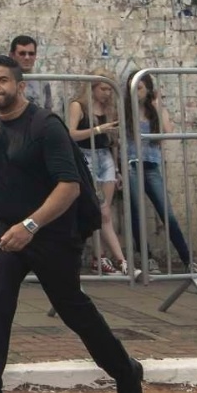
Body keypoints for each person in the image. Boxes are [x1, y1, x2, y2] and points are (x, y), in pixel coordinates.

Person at [0, 54, 142, 393]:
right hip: (3, 230)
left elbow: (68, 187)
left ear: (20, 86)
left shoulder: (45, 125)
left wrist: (30, 226)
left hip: (51, 232)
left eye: (2, 80)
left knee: (73, 309)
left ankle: (126, 372)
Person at [124, 74, 193, 273]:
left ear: (148, 90)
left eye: (139, 87)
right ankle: (147, 259)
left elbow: (167, 132)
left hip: (151, 165)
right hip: (131, 165)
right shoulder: (124, 110)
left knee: (167, 212)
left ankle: (188, 259)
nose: (135, 91)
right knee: (137, 213)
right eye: (132, 87)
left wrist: (157, 104)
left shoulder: (153, 111)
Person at [67, 79, 128, 274]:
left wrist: (117, 170)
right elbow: (71, 134)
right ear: (92, 89)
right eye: (103, 89)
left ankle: (107, 259)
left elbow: (114, 142)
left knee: (105, 212)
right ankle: (105, 257)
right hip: (85, 156)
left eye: (110, 89)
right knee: (96, 211)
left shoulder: (109, 109)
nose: (107, 93)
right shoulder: (79, 106)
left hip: (105, 157)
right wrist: (98, 129)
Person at [9, 35, 54, 116]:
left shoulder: (43, 82)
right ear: (12, 55)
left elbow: (48, 110)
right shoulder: (5, 80)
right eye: (22, 53)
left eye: (31, 54)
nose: (27, 57)